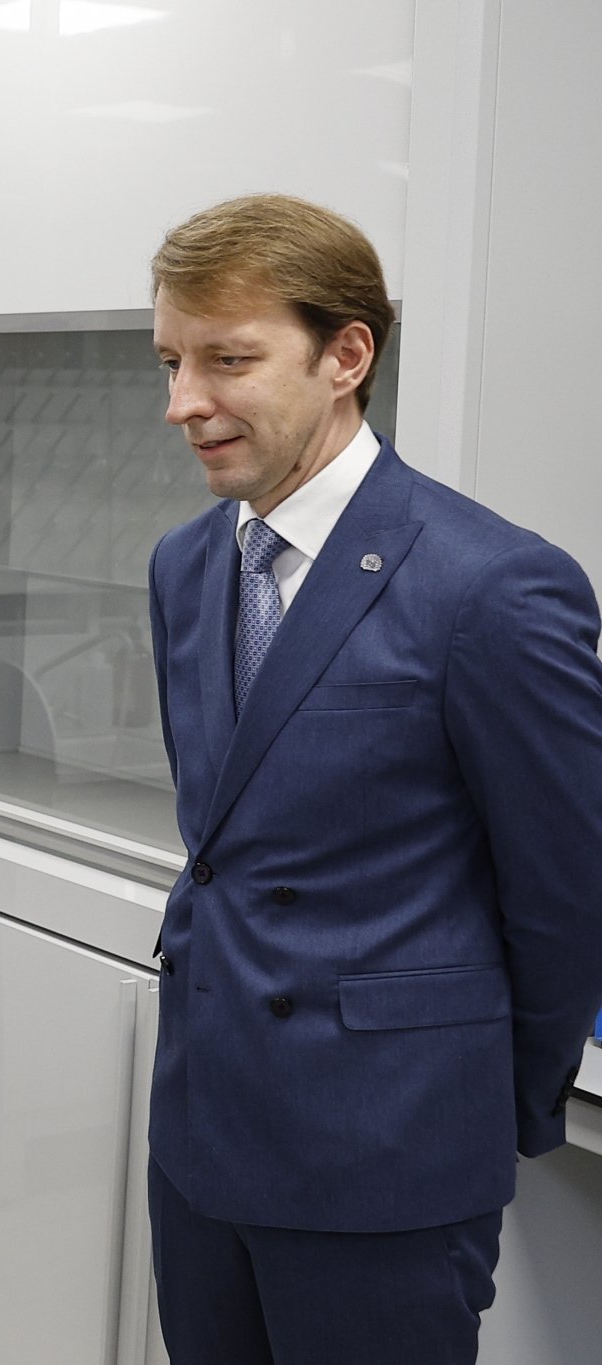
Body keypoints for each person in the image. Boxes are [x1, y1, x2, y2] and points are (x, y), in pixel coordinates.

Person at [145, 193, 602, 1363]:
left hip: (386, 1153)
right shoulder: (185, 564)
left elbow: (565, 892)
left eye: (226, 360)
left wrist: (474, 1111)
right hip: (201, 1134)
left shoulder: (490, 587)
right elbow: (223, 839)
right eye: (170, 361)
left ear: (344, 355)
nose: (182, 402)